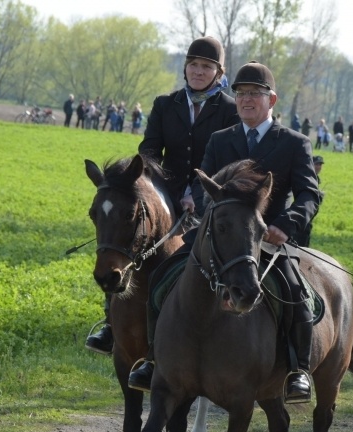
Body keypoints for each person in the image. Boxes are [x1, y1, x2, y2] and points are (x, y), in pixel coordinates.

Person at [137, 61, 321, 404]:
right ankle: (152, 358)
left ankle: (298, 370)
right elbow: (201, 183)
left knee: (297, 294)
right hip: (219, 236)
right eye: (240, 94)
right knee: (162, 277)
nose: (247, 100)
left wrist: (286, 224)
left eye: (255, 94)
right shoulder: (221, 140)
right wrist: (210, 215)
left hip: (269, 241)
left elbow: (310, 194)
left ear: (272, 100)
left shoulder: (295, 143)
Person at [85, 36, 239, 355]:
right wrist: (149, 188)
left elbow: (227, 159)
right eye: (193, 65)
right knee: (125, 236)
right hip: (165, 194)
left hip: (210, 196)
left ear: (218, 72)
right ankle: (111, 325)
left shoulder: (229, 110)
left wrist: (198, 194)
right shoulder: (164, 104)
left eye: (206, 67)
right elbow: (149, 151)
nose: (198, 71)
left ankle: (218, 321)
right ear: (185, 67)